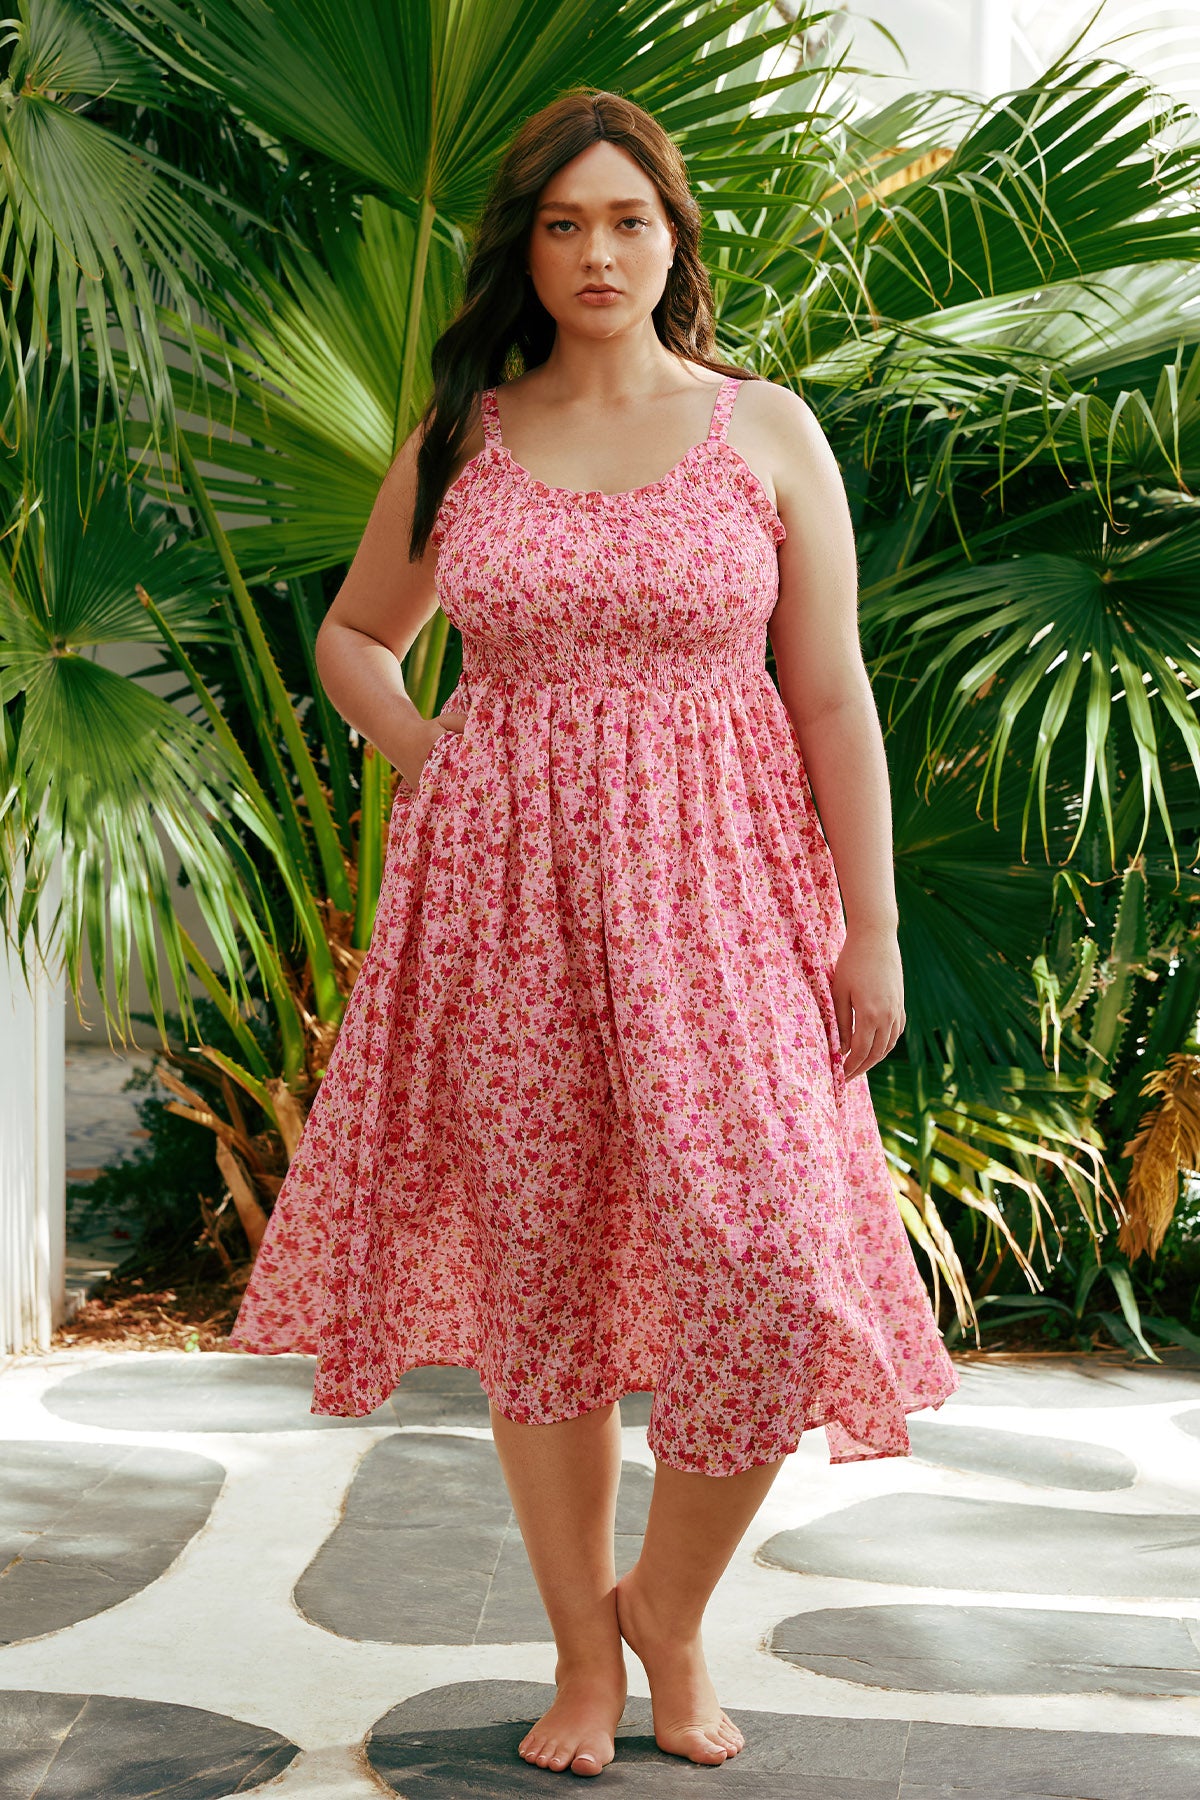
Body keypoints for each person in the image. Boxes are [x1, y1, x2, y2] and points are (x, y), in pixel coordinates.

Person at [229, 87, 958, 1779]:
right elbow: (356, 638)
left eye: (628, 219)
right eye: (564, 225)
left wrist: (872, 927)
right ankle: (580, 1655)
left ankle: (667, 1609)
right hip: (510, 909)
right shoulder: (466, 437)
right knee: (541, 1273)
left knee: (775, 1259)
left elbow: (831, 695)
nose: (598, 253)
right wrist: (441, 759)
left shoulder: (765, 429)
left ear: (673, 237)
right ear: (528, 250)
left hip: (727, 899)